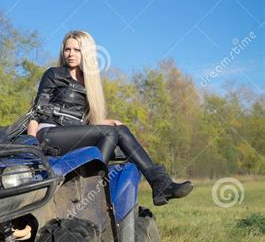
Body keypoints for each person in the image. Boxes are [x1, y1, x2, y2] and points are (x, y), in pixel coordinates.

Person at [26, 30, 193, 206]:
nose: (71, 54)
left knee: (118, 130)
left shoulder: (89, 81)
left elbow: (84, 122)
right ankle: (93, 188)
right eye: (67, 50)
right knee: (109, 133)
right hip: (49, 134)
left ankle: (159, 183)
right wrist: (31, 142)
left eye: (77, 50)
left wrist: (111, 122)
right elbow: (37, 111)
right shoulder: (54, 74)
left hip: (74, 134)